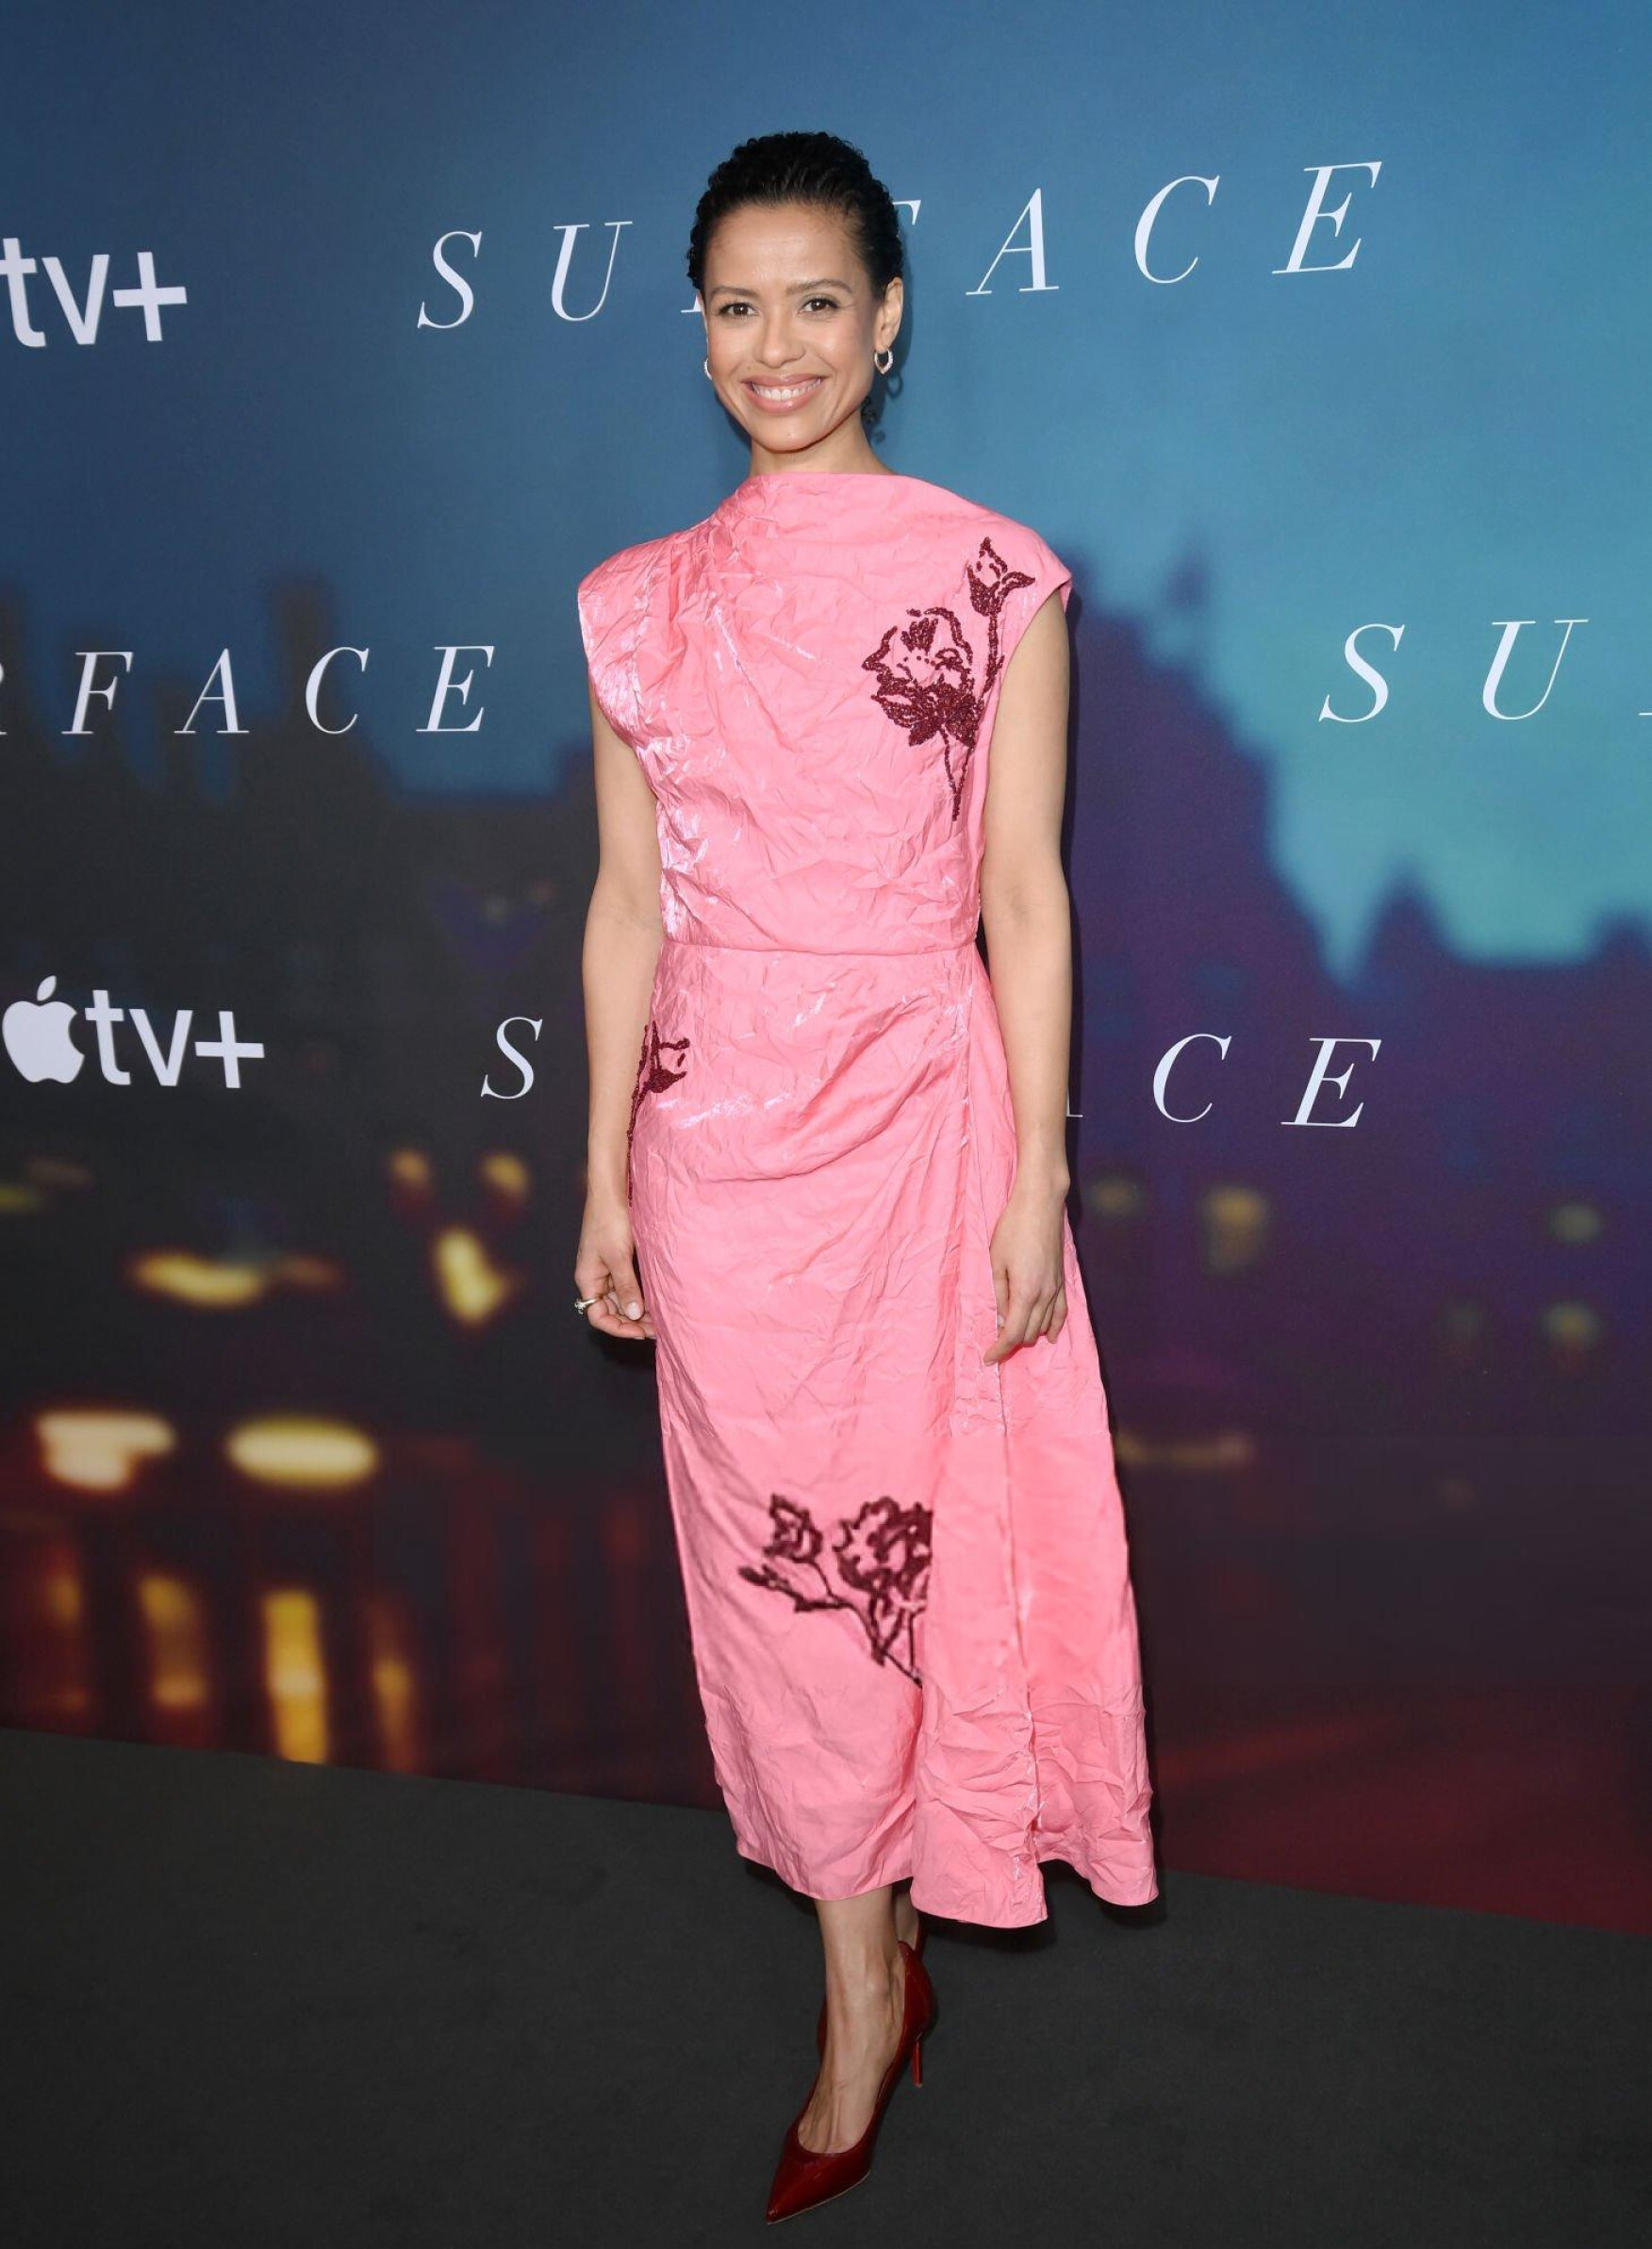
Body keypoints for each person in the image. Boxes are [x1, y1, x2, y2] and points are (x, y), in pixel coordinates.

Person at [574, 129, 1158, 2222]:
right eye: (737, 307)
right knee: (785, 1588)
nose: (778, 346)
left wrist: (1037, 1184)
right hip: (715, 1149)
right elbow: (625, 909)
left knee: (925, 1558)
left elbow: (1029, 899)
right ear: (697, 331)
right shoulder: (634, 604)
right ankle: (863, 1974)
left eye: (817, 301)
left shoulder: (995, 577)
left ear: (889, 317)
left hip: (921, 1125)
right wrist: (600, 1177)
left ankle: (872, 1985)